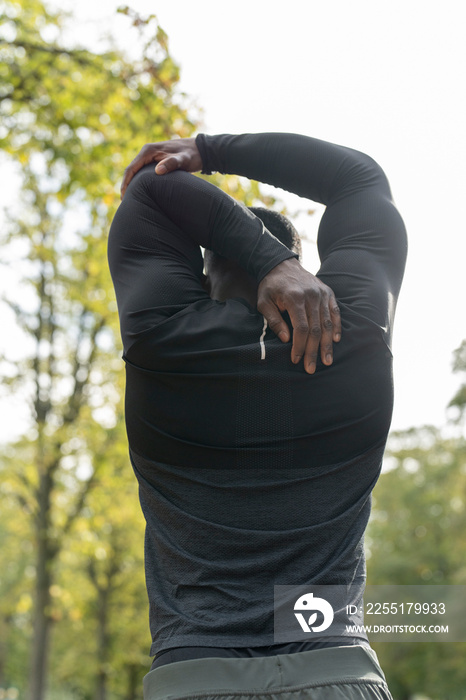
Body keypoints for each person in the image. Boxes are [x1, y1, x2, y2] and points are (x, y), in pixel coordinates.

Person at [108, 132, 407, 700]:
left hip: (194, 674)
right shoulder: (358, 332)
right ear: (308, 271)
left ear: (199, 277)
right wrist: (211, 150)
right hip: (335, 666)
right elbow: (360, 179)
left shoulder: (161, 339)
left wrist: (267, 261)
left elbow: (149, 189)